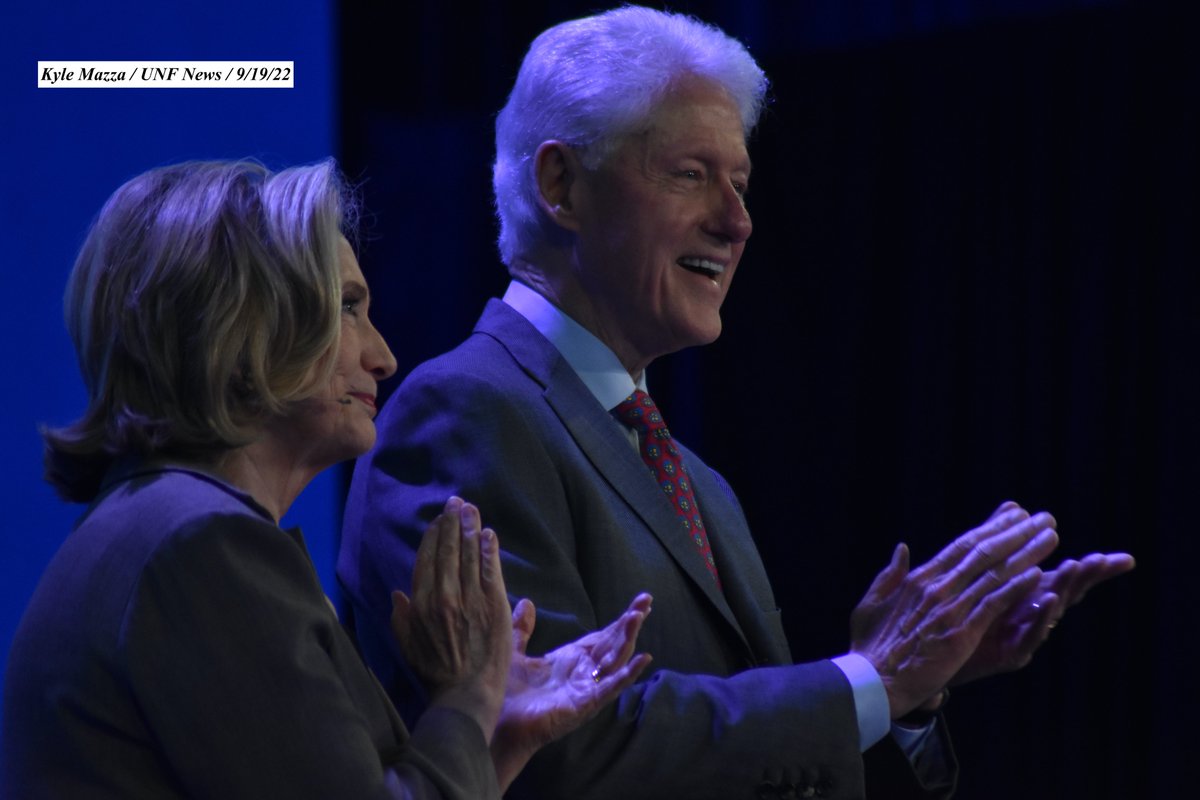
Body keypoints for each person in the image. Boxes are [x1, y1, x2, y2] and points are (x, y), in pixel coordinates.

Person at [338, 7, 1135, 799]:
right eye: (690, 174)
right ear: (561, 186)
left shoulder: (698, 482)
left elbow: (765, 769)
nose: (738, 221)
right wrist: (866, 679)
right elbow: (548, 743)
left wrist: (911, 694)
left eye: (741, 183)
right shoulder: (462, 414)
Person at [0, 159, 654, 800]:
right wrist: (466, 695)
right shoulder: (201, 548)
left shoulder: (162, 527)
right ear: (239, 323)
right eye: (348, 307)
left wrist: (494, 733)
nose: (384, 356)